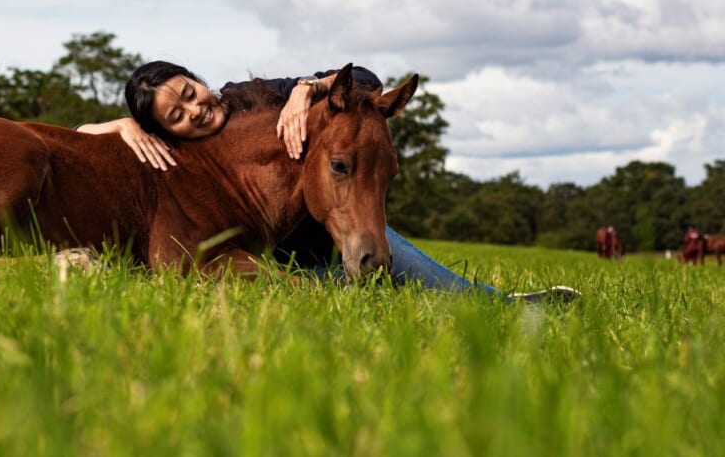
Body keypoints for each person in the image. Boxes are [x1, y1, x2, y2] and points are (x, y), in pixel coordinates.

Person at [78, 61, 578, 304]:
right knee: (354, 293)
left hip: (327, 223)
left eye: (189, 91)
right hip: (269, 249)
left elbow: (365, 77)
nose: (195, 109)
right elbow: (79, 140)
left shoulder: (251, 95)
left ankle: (500, 306)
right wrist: (121, 125)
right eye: (176, 114)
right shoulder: (178, 149)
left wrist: (306, 89)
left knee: (415, 273)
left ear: (196, 77)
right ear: (163, 129)